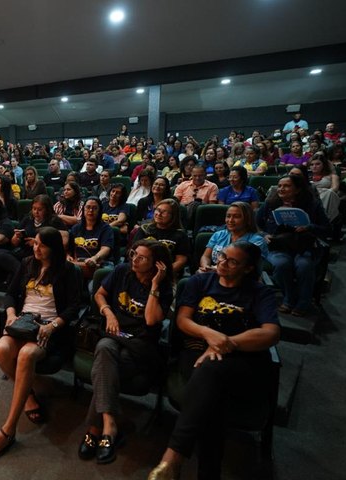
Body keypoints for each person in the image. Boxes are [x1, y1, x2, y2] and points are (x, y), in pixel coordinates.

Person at [148, 242, 280, 480]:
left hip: (242, 362)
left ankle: (173, 457)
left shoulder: (260, 293)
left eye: (232, 261)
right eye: (222, 256)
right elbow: (183, 321)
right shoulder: (200, 283)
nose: (222, 262)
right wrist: (208, 334)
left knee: (210, 373)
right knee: (212, 397)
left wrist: (225, 342)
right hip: (195, 354)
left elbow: (270, 333)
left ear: (248, 269)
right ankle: (207, 474)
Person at [0, 227, 81, 461]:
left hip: (49, 327)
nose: (36, 248)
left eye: (42, 245)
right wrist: (11, 315)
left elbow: (74, 306)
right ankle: (29, 396)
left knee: (25, 355)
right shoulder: (26, 264)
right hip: (23, 322)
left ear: (54, 248)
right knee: (1, 349)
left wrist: (53, 326)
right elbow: (11, 294)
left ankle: (8, 429)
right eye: (35, 244)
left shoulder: (68, 270)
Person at [79, 240, 173, 464]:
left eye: (142, 258)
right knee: (104, 349)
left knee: (104, 365)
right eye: (133, 254)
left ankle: (94, 428)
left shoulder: (164, 287)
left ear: (156, 265)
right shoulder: (122, 271)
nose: (134, 259)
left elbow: (151, 320)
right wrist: (108, 312)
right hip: (113, 335)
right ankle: (109, 427)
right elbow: (99, 294)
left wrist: (154, 286)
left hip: (140, 346)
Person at [256, 174, 330, 316]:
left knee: (304, 266)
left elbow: (327, 229)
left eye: (286, 186)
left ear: (297, 189)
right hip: (278, 245)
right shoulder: (270, 203)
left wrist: (309, 227)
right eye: (280, 185)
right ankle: (289, 298)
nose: (281, 189)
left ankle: (303, 303)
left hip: (305, 246)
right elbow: (257, 225)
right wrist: (264, 235)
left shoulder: (313, 205)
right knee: (282, 264)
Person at [0, 194, 66, 286]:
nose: (36, 212)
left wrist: (36, 243)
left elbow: (60, 243)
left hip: (40, 255)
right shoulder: (27, 218)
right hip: (23, 251)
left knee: (26, 262)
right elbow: (13, 243)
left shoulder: (55, 222)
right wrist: (17, 237)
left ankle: (18, 274)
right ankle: (21, 271)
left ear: (47, 210)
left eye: (40, 210)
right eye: (34, 209)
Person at [198, 202, 268, 272]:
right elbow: (206, 256)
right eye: (228, 216)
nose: (230, 220)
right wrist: (206, 267)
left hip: (240, 278)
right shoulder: (218, 235)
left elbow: (245, 267)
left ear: (247, 219)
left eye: (236, 217)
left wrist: (215, 270)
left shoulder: (257, 241)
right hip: (214, 273)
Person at [131, 199, 190, 278]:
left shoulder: (180, 235)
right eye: (157, 210)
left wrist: (164, 273)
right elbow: (133, 252)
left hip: (167, 274)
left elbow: (181, 260)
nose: (159, 214)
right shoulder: (144, 229)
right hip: (142, 272)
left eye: (164, 212)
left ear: (173, 216)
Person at [67, 197, 114, 279]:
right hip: (79, 263)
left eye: (94, 208)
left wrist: (95, 258)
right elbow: (69, 248)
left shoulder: (106, 229)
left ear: (99, 211)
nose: (91, 210)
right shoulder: (75, 228)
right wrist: (68, 256)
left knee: (92, 286)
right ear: (83, 209)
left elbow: (106, 249)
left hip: (100, 263)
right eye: (88, 207)